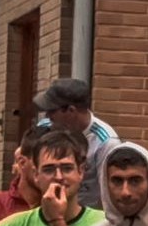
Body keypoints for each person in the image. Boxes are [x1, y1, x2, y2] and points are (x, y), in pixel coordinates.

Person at [34, 78, 117, 209]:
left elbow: (107, 192)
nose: (47, 115)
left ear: (71, 110)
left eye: (52, 110)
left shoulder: (105, 142)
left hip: (86, 217)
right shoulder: (45, 127)